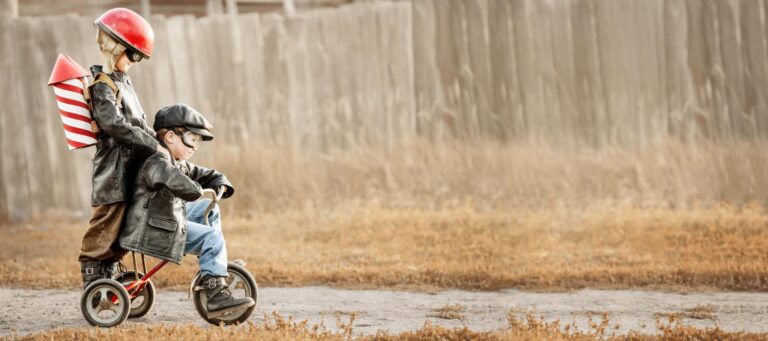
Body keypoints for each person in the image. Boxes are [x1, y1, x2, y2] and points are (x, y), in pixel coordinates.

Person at [119, 103, 255, 316]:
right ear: (171, 137)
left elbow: (201, 172)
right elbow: (179, 182)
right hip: (152, 229)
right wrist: (197, 189)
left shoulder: (177, 161)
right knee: (211, 236)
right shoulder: (157, 162)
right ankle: (215, 294)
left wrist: (219, 182)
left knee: (208, 210)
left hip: (161, 219)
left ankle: (214, 264)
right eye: (192, 139)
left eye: (198, 142)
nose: (195, 146)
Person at [79, 8, 171, 288]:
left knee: (125, 219)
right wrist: (151, 145)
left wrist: (159, 144)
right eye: (132, 55)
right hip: (113, 169)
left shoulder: (123, 82)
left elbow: (138, 123)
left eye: (138, 57)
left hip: (130, 165)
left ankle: (111, 266)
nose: (135, 62)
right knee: (108, 218)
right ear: (114, 47)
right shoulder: (102, 86)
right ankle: (95, 270)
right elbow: (114, 124)